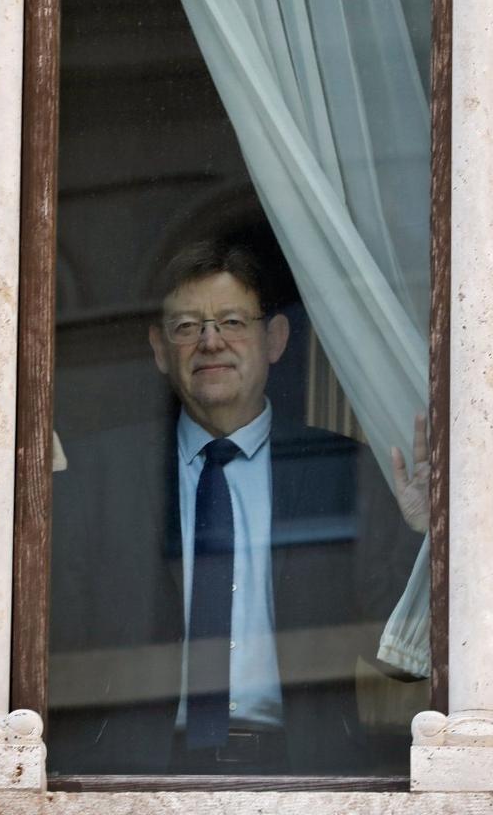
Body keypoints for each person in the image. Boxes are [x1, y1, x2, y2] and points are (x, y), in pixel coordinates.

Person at [47, 237, 427, 776]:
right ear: (159, 349)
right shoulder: (96, 475)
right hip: (130, 775)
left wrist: (418, 533)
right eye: (186, 327)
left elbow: (398, 660)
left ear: (274, 339)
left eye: (232, 321)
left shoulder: (340, 469)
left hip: (307, 776)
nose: (210, 342)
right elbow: (57, 647)